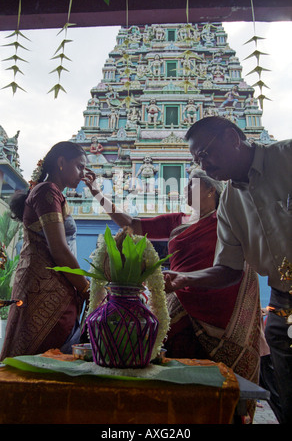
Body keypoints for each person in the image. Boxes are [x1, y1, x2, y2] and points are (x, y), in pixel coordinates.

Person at [85, 168, 261, 412]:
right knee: (172, 363)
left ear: (211, 189)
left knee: (222, 383)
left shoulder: (228, 219)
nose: (185, 189)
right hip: (179, 298)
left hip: (221, 305)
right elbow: (130, 224)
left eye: (192, 184)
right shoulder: (176, 221)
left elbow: (236, 263)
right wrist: (97, 193)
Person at [164, 116, 292, 424]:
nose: (204, 165)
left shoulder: (286, 158)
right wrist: (184, 278)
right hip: (283, 303)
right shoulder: (231, 203)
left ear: (233, 138)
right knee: (288, 396)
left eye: (206, 154)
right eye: (197, 160)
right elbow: (228, 269)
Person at [0, 142, 96, 360]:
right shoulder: (47, 191)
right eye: (79, 167)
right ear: (61, 163)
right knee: (38, 365)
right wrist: (86, 288)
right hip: (43, 291)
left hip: (51, 288)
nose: (83, 174)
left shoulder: (53, 194)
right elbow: (59, 249)